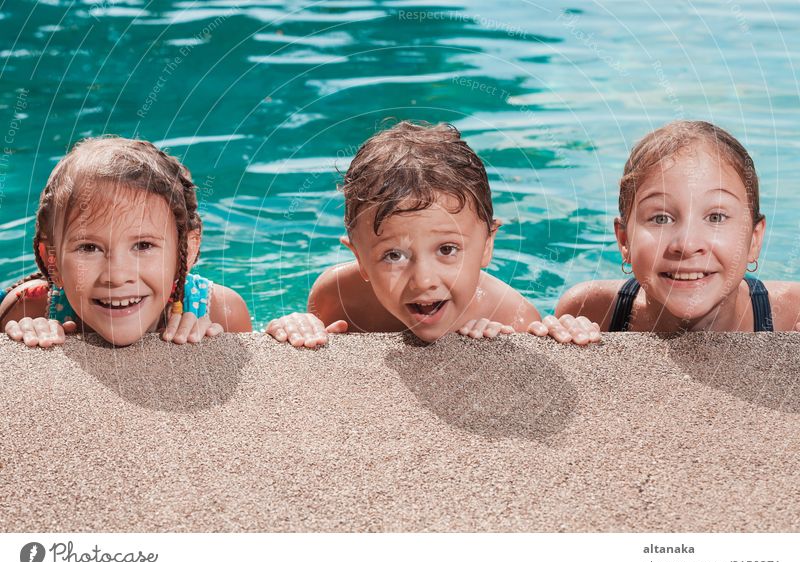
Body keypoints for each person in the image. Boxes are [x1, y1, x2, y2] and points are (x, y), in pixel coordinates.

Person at [267, 121, 600, 347]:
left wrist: (496, 347)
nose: (424, 280)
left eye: (447, 250)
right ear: (360, 259)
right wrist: (298, 327)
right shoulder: (339, 294)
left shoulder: (510, 314)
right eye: (393, 255)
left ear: (487, 246)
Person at [0, 136, 252, 347]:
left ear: (187, 250)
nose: (117, 276)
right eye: (89, 247)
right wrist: (28, 335)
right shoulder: (29, 307)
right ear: (51, 260)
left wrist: (289, 329)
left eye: (143, 245)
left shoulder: (221, 311)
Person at [557, 120, 800, 332]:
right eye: (661, 218)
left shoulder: (791, 313)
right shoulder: (592, 311)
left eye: (716, 217)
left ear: (754, 239)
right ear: (624, 241)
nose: (687, 244)